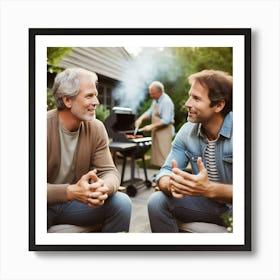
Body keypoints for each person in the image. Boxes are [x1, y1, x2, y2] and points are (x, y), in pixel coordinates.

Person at [47, 67, 132, 232]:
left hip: (74, 205)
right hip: (41, 205)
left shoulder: (96, 128)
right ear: (67, 100)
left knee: (122, 203)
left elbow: (110, 172)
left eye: (96, 95)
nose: (96, 102)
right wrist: (70, 191)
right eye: (89, 96)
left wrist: (103, 187)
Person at [147, 69, 233, 232]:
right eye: (190, 96)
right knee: (157, 201)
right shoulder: (187, 131)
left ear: (219, 105)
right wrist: (170, 184)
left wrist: (209, 189)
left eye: (196, 98)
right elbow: (164, 172)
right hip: (208, 206)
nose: (187, 103)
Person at [134, 81, 175, 168]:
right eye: (150, 93)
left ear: (160, 92)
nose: (151, 96)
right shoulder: (156, 100)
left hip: (165, 132)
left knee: (165, 155)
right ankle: (161, 175)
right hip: (158, 132)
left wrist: (151, 126)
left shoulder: (166, 102)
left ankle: (169, 177)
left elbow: (166, 120)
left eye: (153, 94)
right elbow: (149, 112)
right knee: (159, 156)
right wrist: (140, 119)